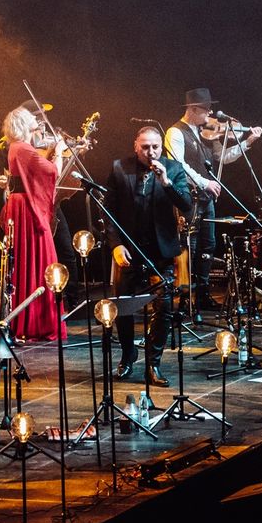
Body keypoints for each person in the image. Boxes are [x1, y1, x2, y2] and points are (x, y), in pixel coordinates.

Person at [104, 125, 193, 386]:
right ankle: (127, 356)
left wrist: (166, 182)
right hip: (129, 249)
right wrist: (115, 245)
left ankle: (153, 363)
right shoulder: (120, 168)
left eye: (155, 147)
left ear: (161, 147)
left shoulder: (174, 169)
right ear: (136, 146)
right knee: (123, 306)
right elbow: (108, 212)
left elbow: (186, 205)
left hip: (160, 250)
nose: (151, 152)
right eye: (145, 147)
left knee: (163, 307)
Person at [165, 88, 262, 312]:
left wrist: (248, 142)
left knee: (208, 245)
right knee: (189, 246)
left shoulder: (208, 133)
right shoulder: (175, 132)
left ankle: (203, 295)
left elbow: (224, 157)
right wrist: (204, 182)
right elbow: (178, 165)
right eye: (206, 109)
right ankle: (185, 297)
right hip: (187, 197)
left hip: (206, 197)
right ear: (192, 109)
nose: (210, 114)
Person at [0, 99, 79, 273]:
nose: (42, 121)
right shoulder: (13, 146)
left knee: (63, 252)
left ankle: (65, 289)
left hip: (44, 201)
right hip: (29, 204)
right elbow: (53, 171)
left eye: (43, 117)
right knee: (38, 253)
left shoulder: (30, 143)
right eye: (37, 117)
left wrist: (75, 148)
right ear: (26, 121)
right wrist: (58, 151)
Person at [0, 105, 67, 342]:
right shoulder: (23, 148)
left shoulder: (18, 147)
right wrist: (59, 152)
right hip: (28, 209)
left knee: (29, 261)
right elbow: (53, 173)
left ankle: (29, 319)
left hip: (20, 206)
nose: (36, 120)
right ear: (23, 124)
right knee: (42, 259)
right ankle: (38, 322)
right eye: (31, 118)